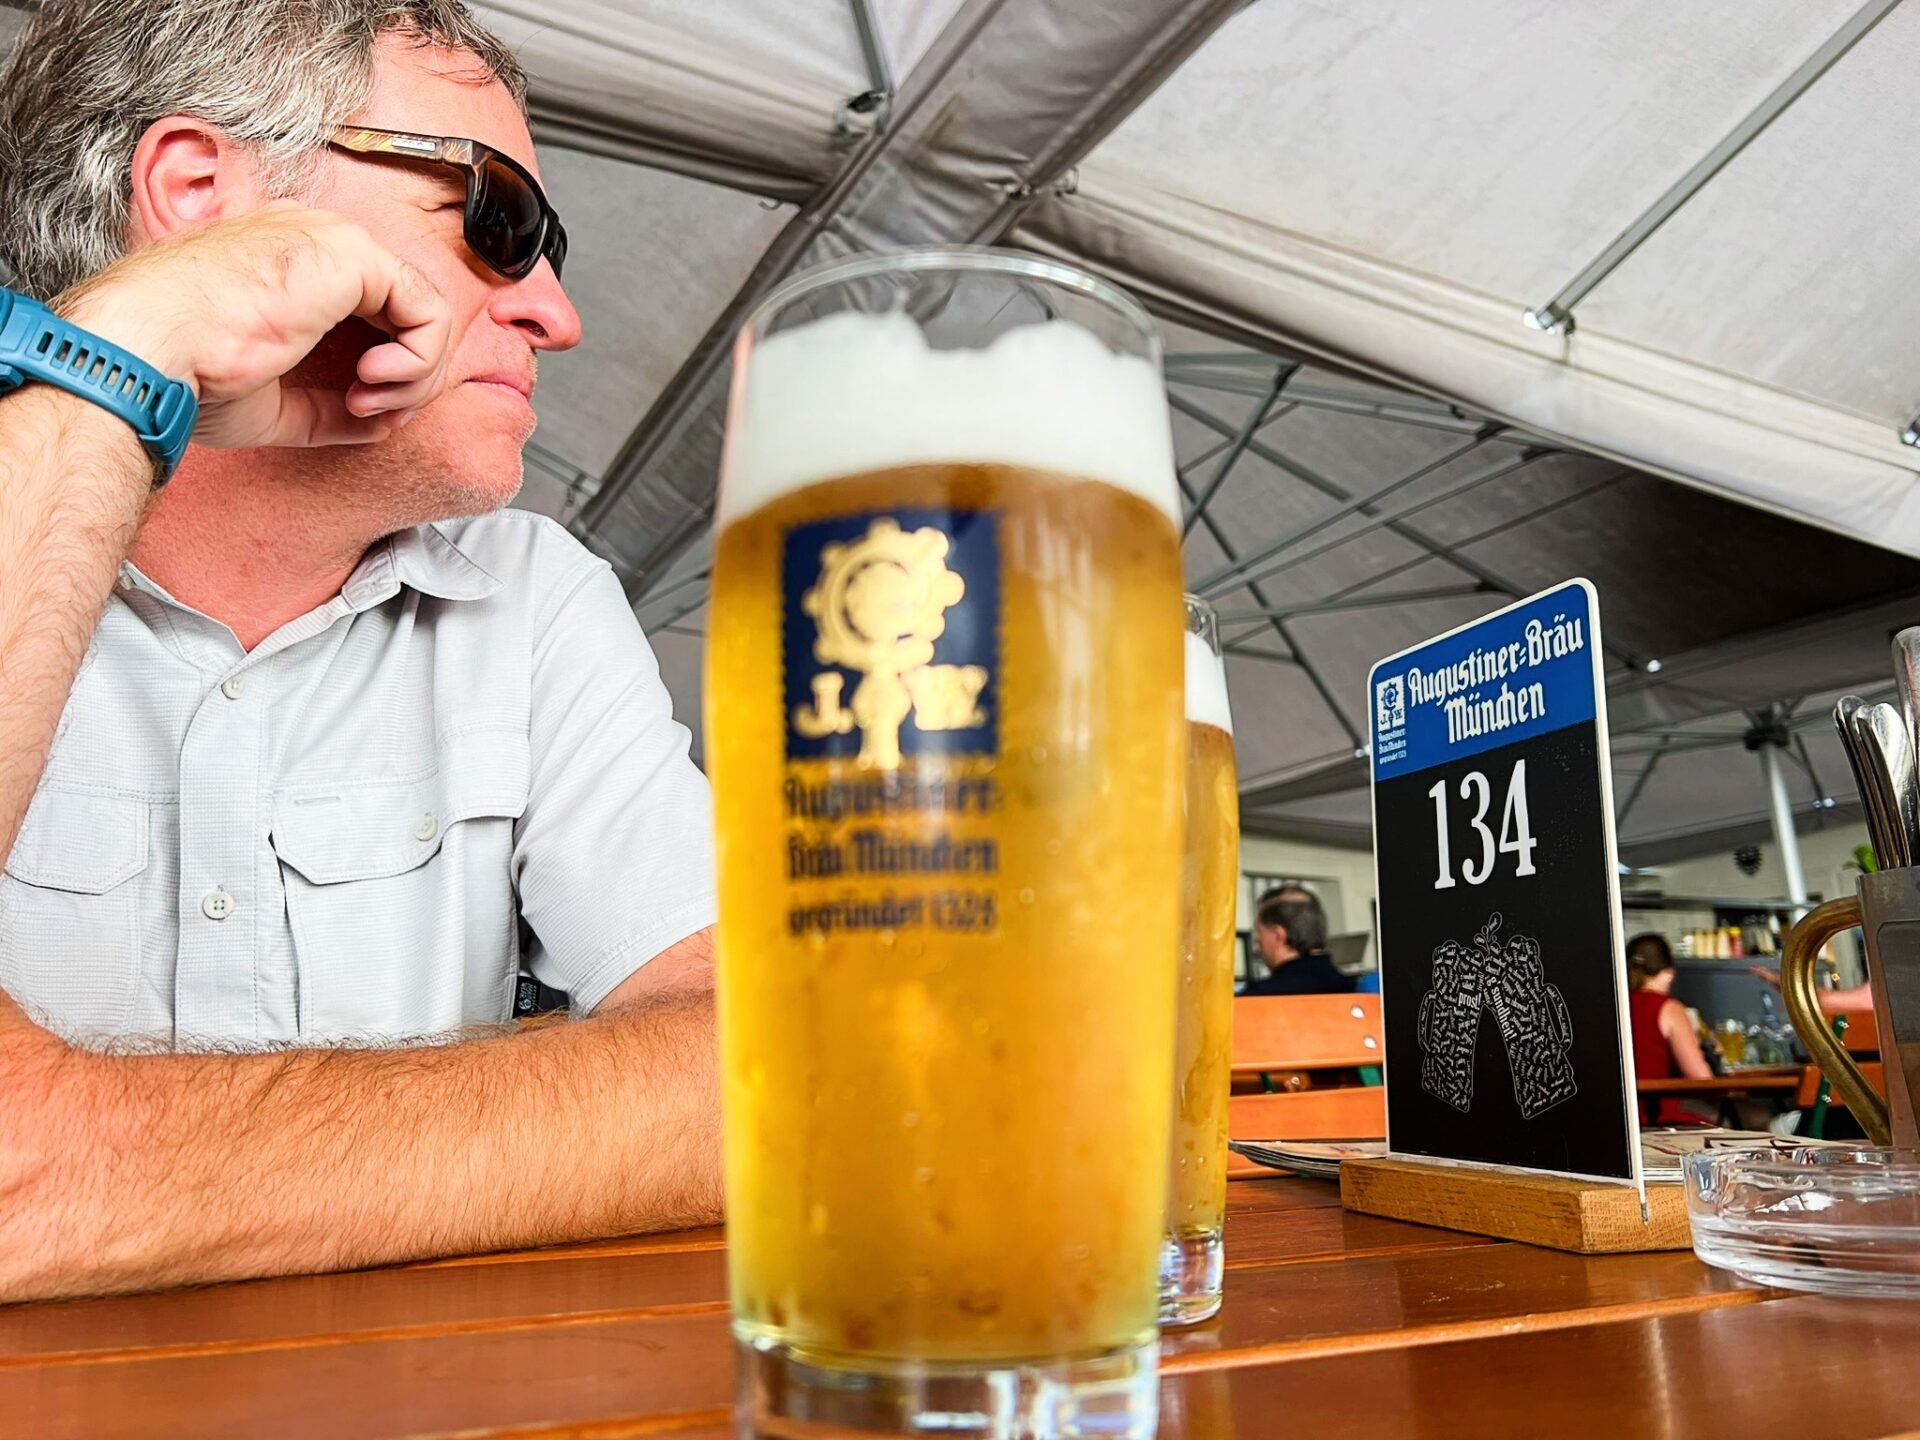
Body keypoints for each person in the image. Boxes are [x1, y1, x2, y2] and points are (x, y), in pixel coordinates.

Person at [0, 0, 721, 1302]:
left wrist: (91, 1164)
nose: (556, 314)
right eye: (500, 222)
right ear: (199, 191)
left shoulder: (531, 594)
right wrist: (124, 364)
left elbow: (778, 1070)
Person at [1625, 933, 1714, 1126]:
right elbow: (1701, 1080)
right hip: (1658, 1117)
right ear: (1668, 971)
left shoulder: (1617, 1006)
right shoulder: (1668, 1008)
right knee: (1754, 1118)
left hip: (1621, 1119)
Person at [1240, 885, 1355, 996]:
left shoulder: (1257, 998)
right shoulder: (1357, 989)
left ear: (1278, 935)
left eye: (1259, 932)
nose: (1257, 940)